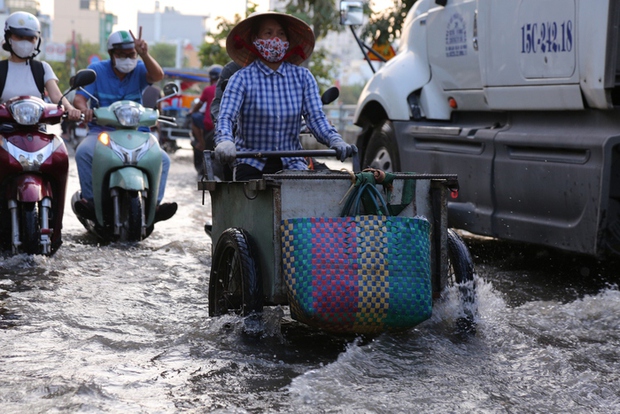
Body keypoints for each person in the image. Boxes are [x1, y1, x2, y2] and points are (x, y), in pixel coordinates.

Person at [214, 12, 356, 181]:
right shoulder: (241, 78)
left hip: (292, 163)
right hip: (251, 163)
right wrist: (225, 141)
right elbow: (226, 117)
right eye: (268, 33)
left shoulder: (303, 77)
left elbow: (316, 118)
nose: (275, 39)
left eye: (281, 34)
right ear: (255, 39)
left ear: (287, 41)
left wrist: (336, 141)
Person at [73, 29, 177, 223]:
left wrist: (144, 54)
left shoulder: (139, 69)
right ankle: (91, 202)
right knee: (83, 153)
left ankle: (154, 205)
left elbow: (158, 75)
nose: (128, 59)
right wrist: (84, 110)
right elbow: (79, 98)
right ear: (112, 54)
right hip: (102, 131)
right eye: (122, 55)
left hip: (138, 132)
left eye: (132, 55)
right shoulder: (96, 70)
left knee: (163, 159)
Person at [0, 11, 81, 120]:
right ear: (8, 37)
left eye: (30, 38)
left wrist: (69, 108)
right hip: (4, 132)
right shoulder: (1, 69)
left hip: (37, 131)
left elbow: (56, 96)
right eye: (19, 36)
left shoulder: (42, 68)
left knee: (57, 138)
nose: (25, 42)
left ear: (36, 40)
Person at [189, 64, 222, 175]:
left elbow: (199, 104)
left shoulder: (208, 89)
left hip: (209, 124)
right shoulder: (225, 88)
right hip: (222, 123)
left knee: (194, 119)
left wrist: (192, 111)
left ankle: (201, 143)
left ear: (211, 78)